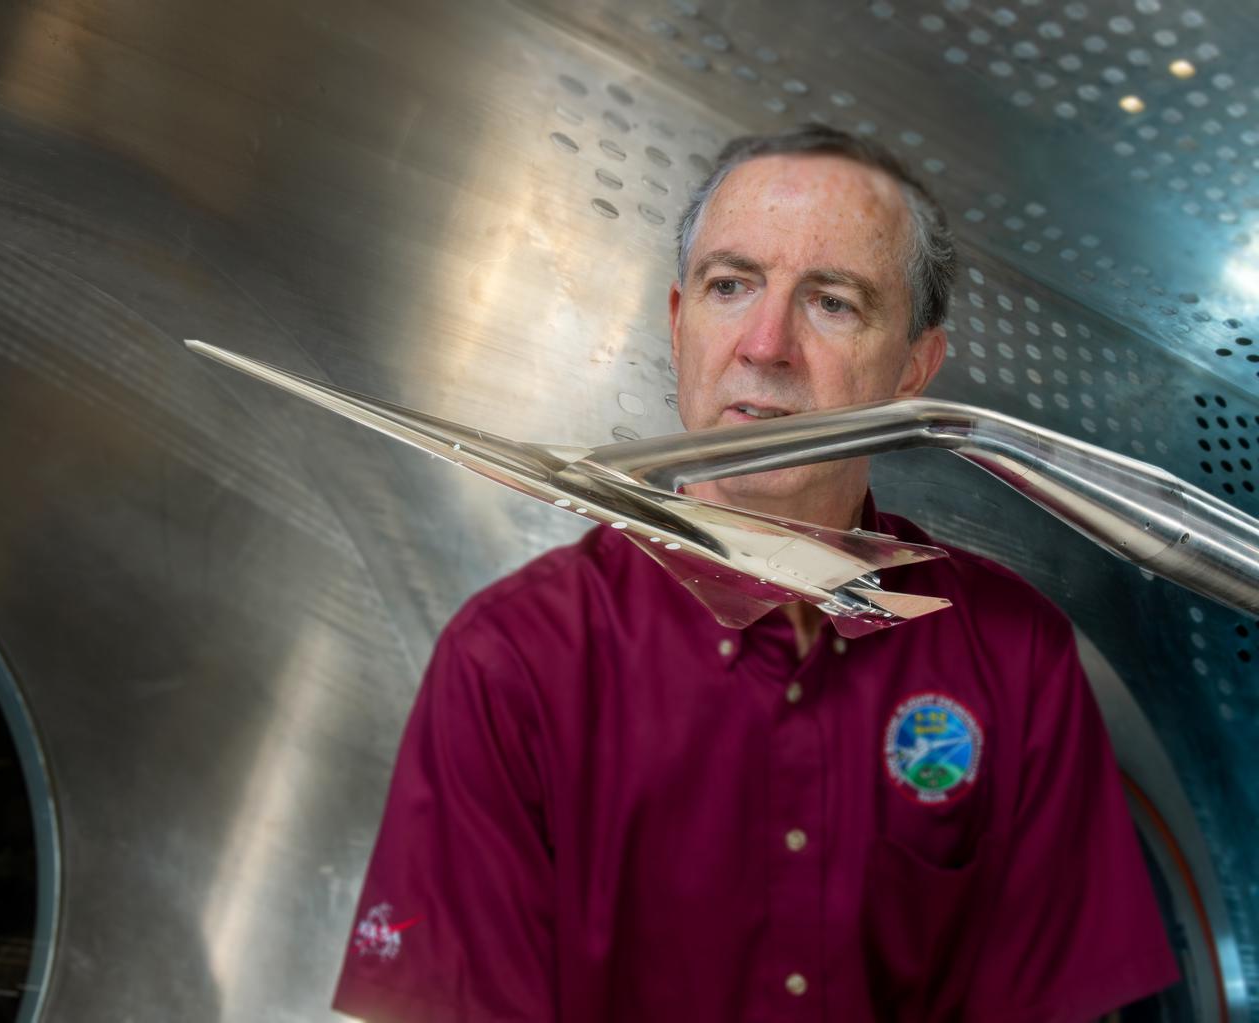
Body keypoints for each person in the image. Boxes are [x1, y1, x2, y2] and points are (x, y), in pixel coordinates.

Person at [332, 125, 1178, 1022]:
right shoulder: (511, 662)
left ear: (915, 370)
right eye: (730, 286)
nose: (766, 344)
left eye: (834, 302)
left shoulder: (1014, 657)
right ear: (678, 320)